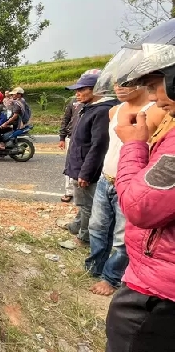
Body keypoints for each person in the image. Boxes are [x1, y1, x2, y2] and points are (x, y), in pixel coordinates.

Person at [101, 19, 175, 351]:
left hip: (159, 293)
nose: (158, 97)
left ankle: (105, 274)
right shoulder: (117, 112)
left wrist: (134, 146)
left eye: (159, 83)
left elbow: (142, 207)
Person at [85, 83, 163, 296]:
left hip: (131, 182)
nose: (119, 87)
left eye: (127, 83)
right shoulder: (114, 111)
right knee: (97, 228)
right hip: (106, 179)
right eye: (117, 82)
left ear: (145, 81)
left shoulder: (156, 112)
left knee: (123, 236)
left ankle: (111, 278)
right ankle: (95, 267)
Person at [62, 70, 119, 244]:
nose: (77, 93)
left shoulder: (101, 111)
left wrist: (85, 173)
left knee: (87, 205)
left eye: (82, 89)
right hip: (79, 163)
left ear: (97, 89)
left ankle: (84, 237)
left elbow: (99, 145)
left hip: (86, 167)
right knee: (83, 202)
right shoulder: (89, 108)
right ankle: (77, 225)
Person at [58, 96, 83, 203]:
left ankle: (84, 192)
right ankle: (69, 192)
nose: (78, 93)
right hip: (72, 137)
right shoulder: (73, 101)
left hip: (88, 138)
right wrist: (62, 137)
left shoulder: (95, 103)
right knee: (70, 164)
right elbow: (66, 119)